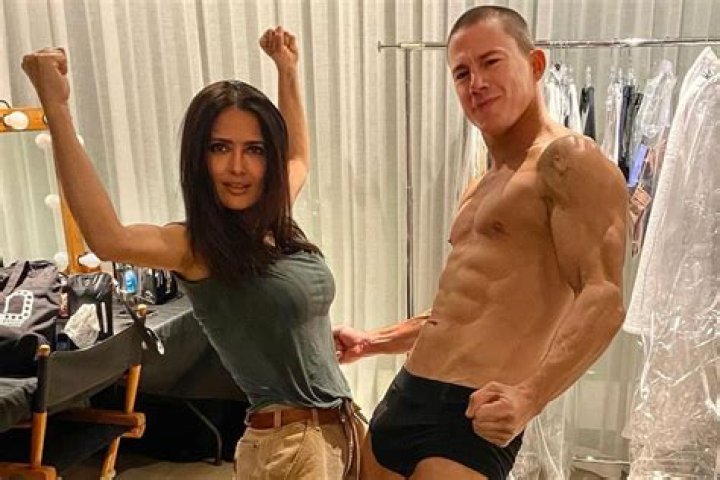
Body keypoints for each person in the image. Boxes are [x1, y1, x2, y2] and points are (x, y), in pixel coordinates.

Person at [22, 26, 363, 480]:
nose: (238, 166)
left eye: (255, 149)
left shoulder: (273, 218)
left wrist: (287, 70)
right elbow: (108, 238)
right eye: (220, 148)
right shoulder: (196, 245)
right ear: (198, 158)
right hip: (291, 448)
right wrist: (56, 108)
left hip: (338, 431)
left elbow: (298, 156)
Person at [334, 6, 628, 480]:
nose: (477, 83)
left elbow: (604, 298)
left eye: (491, 62)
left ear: (535, 64)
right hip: (406, 395)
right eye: (462, 72)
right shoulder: (481, 185)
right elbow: (458, 310)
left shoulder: (568, 161)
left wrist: (529, 396)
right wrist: (373, 342)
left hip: (470, 415)